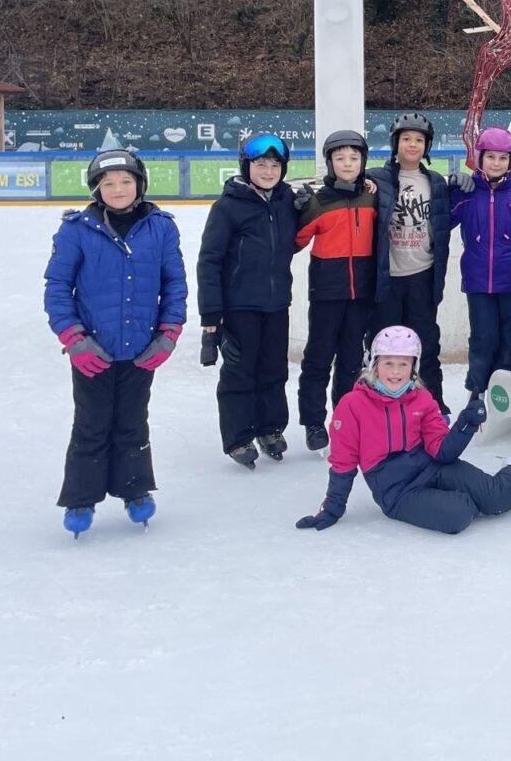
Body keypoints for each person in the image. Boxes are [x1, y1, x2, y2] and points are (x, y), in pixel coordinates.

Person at [44, 149, 186, 537]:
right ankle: (81, 497)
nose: (118, 189)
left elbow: (174, 283)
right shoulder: (76, 229)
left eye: (125, 181)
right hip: (94, 349)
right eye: (108, 183)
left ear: (140, 185)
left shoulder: (161, 228)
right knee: (91, 424)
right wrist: (74, 338)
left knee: (132, 422)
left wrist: (168, 334)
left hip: (141, 349)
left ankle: (135, 490)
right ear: (97, 189)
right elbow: (58, 286)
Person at [294, 327, 511, 535]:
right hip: (398, 491)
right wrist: (333, 508)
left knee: (496, 498)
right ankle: (453, 498)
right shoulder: (352, 405)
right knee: (459, 513)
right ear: (374, 365)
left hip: (433, 467)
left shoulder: (421, 398)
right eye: (388, 363)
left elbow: (442, 451)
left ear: (413, 366)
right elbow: (343, 462)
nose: (395, 372)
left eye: (403, 364)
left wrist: (466, 424)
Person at [196, 132, 298, 468]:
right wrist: (211, 317)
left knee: (274, 369)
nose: (268, 171)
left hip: (277, 303)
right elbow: (209, 262)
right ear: (246, 166)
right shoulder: (228, 207)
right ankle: (238, 437)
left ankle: (270, 428)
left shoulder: (287, 201)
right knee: (240, 371)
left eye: (275, 165)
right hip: (238, 306)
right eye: (260, 164)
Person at [448, 126, 511, 397]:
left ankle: (501, 393)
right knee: (483, 338)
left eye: (503, 158)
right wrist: (448, 190)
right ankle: (477, 392)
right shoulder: (468, 192)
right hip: (478, 279)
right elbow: (442, 220)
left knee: (507, 339)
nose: (496, 163)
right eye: (491, 157)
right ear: (480, 157)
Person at [294, 129, 378, 451]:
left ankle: (345, 419)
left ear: (363, 162)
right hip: (327, 293)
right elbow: (295, 241)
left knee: (351, 360)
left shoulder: (371, 197)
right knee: (318, 358)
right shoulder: (319, 202)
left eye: (354, 158)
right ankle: (313, 422)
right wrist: (295, 210)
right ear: (330, 162)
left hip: (361, 294)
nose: (347, 163)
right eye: (340, 158)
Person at [368, 111, 453, 413]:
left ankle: (433, 404)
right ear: (396, 143)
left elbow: (446, 220)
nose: (413, 144)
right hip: (387, 278)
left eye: (419, 140)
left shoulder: (436, 182)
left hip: (422, 275)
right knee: (384, 345)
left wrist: (460, 184)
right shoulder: (376, 178)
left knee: (426, 344)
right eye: (406, 139)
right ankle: (381, 406)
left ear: (427, 146)